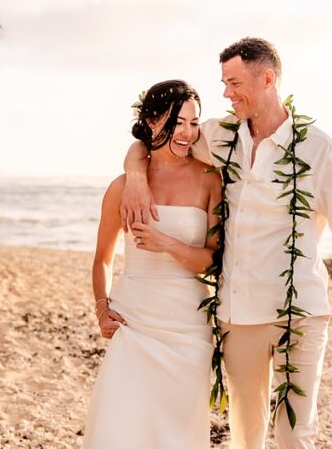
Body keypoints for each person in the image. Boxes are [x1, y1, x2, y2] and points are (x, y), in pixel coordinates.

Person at [121, 38, 332, 449]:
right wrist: (133, 175)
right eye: (223, 82)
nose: (225, 93)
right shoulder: (219, 136)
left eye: (234, 82)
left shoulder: (318, 149)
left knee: (295, 434)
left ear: (267, 78)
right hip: (238, 315)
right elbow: (155, 138)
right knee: (246, 434)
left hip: (300, 313)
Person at [83, 80, 223, 449]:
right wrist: (102, 310)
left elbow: (212, 261)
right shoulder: (123, 186)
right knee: (122, 426)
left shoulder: (211, 180)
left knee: (177, 433)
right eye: (177, 122)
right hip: (134, 322)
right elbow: (102, 258)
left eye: (194, 123)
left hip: (188, 326)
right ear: (151, 120)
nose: (187, 133)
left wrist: (169, 244)